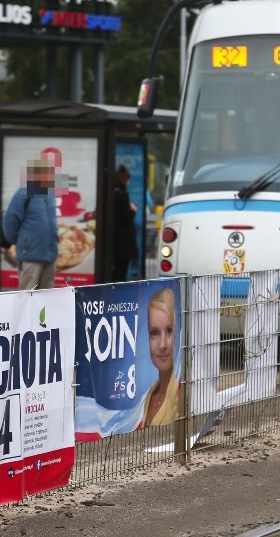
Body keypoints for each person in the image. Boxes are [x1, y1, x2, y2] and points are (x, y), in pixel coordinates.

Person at [2, 158, 59, 290]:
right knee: (28, 296)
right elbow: (10, 219)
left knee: (47, 298)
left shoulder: (49, 195)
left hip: (50, 255)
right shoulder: (23, 192)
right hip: (31, 255)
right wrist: (17, 241)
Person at [140, 287, 180, 427]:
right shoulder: (150, 395)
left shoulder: (180, 394)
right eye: (155, 333)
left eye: (169, 331)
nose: (162, 345)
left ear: (176, 335)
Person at [112, 165, 138, 282]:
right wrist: (132, 210)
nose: (128, 183)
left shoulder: (111, 193)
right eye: (127, 180)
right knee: (121, 272)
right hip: (123, 242)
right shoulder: (122, 195)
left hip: (114, 241)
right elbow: (126, 219)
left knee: (115, 271)